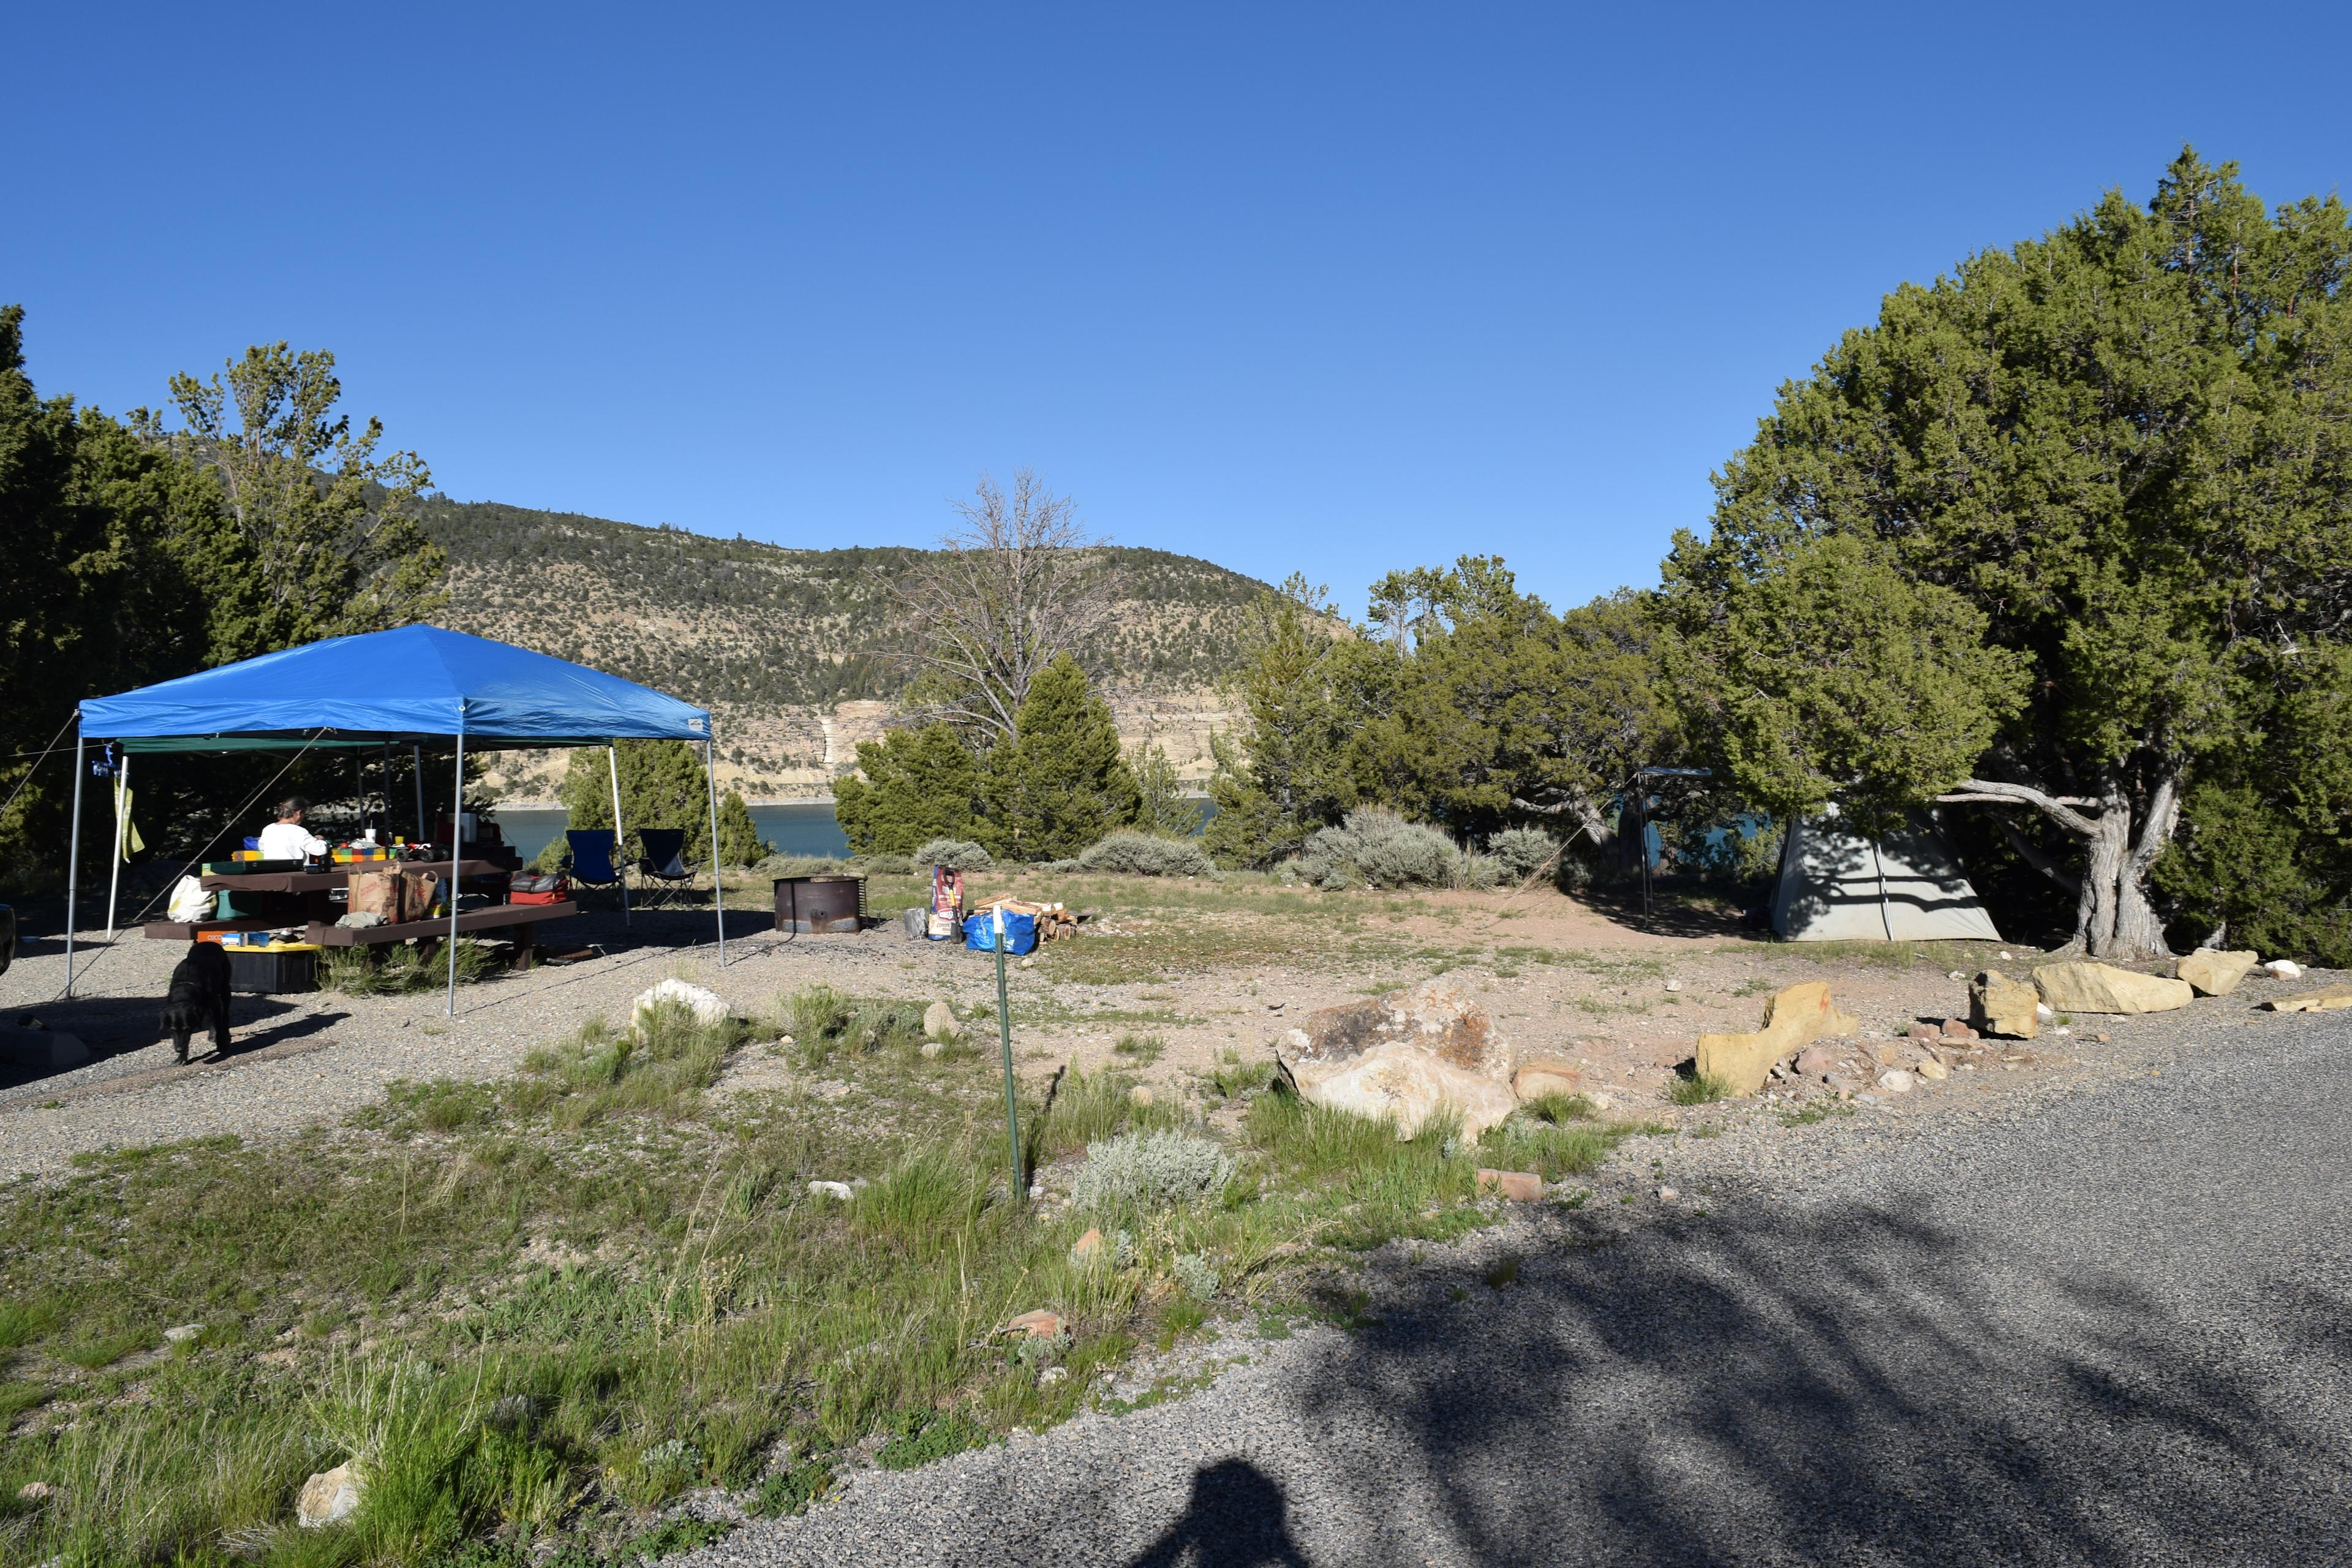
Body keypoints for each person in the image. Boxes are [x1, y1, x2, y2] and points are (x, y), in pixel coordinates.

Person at [257, 796, 330, 862]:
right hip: (294, 871)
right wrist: (321, 840)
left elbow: (262, 848)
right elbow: (320, 850)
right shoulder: (298, 830)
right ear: (299, 813)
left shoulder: (268, 829)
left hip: (271, 871)